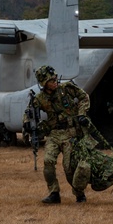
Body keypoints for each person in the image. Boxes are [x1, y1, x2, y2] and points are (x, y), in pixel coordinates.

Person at [29, 65, 92, 204]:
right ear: (44, 83)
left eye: (55, 78)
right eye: (51, 80)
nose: (55, 82)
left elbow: (84, 96)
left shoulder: (66, 88)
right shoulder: (40, 98)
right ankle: (54, 193)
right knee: (48, 161)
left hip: (70, 133)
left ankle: (79, 194)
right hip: (54, 134)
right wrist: (29, 126)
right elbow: (30, 114)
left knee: (69, 167)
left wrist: (82, 113)